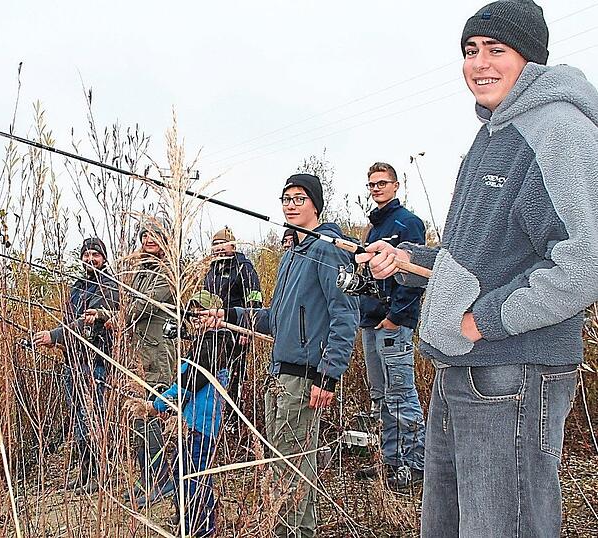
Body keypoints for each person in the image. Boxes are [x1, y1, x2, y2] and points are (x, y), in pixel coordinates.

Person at [358, 2, 598, 535]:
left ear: (530, 58)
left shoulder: (558, 129)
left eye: (496, 49)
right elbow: (477, 258)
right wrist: (406, 260)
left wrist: (481, 320)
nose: (479, 63)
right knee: (449, 525)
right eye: (470, 50)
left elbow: (584, 263)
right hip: (463, 367)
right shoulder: (493, 135)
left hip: (512, 369)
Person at [209, 174, 360, 537]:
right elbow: (274, 319)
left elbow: (345, 316)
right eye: (286, 199)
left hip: (305, 376)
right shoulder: (292, 255)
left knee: (290, 466)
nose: (291, 205)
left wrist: (328, 375)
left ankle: (291, 531)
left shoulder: (328, 249)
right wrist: (228, 315)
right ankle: (296, 530)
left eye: (299, 198)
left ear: (316, 205)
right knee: (287, 464)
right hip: (279, 374)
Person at [126, 290, 238, 537]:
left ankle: (202, 528)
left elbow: (187, 383)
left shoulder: (214, 344)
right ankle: (188, 519)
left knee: (193, 476)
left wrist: (155, 405)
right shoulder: (204, 342)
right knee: (181, 470)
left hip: (202, 425)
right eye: (193, 313)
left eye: (202, 312)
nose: (196, 317)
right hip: (192, 422)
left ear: (217, 315)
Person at [354, 162, 427, 489]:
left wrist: (396, 317)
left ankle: (415, 463)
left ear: (396, 186)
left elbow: (414, 274)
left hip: (393, 323)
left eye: (382, 183)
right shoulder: (373, 228)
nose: (376, 188)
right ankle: (392, 460)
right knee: (381, 395)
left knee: (400, 392)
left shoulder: (408, 223)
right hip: (371, 321)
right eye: (372, 184)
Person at [32, 237, 119, 493]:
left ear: (104, 258)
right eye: (86, 255)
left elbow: (86, 323)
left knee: (93, 417)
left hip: (96, 362)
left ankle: (100, 475)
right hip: (73, 361)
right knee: (79, 419)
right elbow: (69, 322)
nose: (90, 259)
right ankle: (84, 472)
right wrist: (57, 342)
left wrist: (54, 335)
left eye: (96, 255)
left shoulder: (109, 286)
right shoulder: (78, 286)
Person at [101, 220, 177, 507]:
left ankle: (161, 479)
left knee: (153, 414)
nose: (148, 240)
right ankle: (148, 477)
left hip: (158, 355)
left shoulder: (168, 270)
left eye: (155, 235)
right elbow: (127, 305)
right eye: (144, 235)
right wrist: (104, 315)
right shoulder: (139, 271)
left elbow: (147, 302)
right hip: (138, 355)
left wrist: (121, 317)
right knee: (138, 417)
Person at [202, 226, 263, 420]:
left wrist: (247, 329)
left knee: (233, 376)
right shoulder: (211, 270)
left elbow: (254, 299)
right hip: (214, 332)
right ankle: (214, 417)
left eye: (223, 244)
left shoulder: (243, 268)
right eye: (215, 244)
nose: (219, 248)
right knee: (211, 373)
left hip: (236, 331)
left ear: (233, 246)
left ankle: (233, 419)